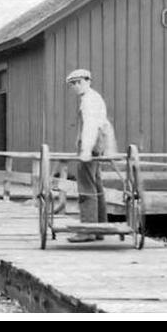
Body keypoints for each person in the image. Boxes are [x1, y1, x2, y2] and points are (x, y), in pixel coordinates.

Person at [65, 69, 117, 242]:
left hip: (91, 145)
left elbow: (90, 126)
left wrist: (86, 150)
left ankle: (87, 230)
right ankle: (101, 228)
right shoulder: (95, 97)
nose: (74, 87)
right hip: (98, 144)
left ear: (82, 82)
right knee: (96, 185)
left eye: (75, 83)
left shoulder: (89, 100)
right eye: (73, 84)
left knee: (86, 187)